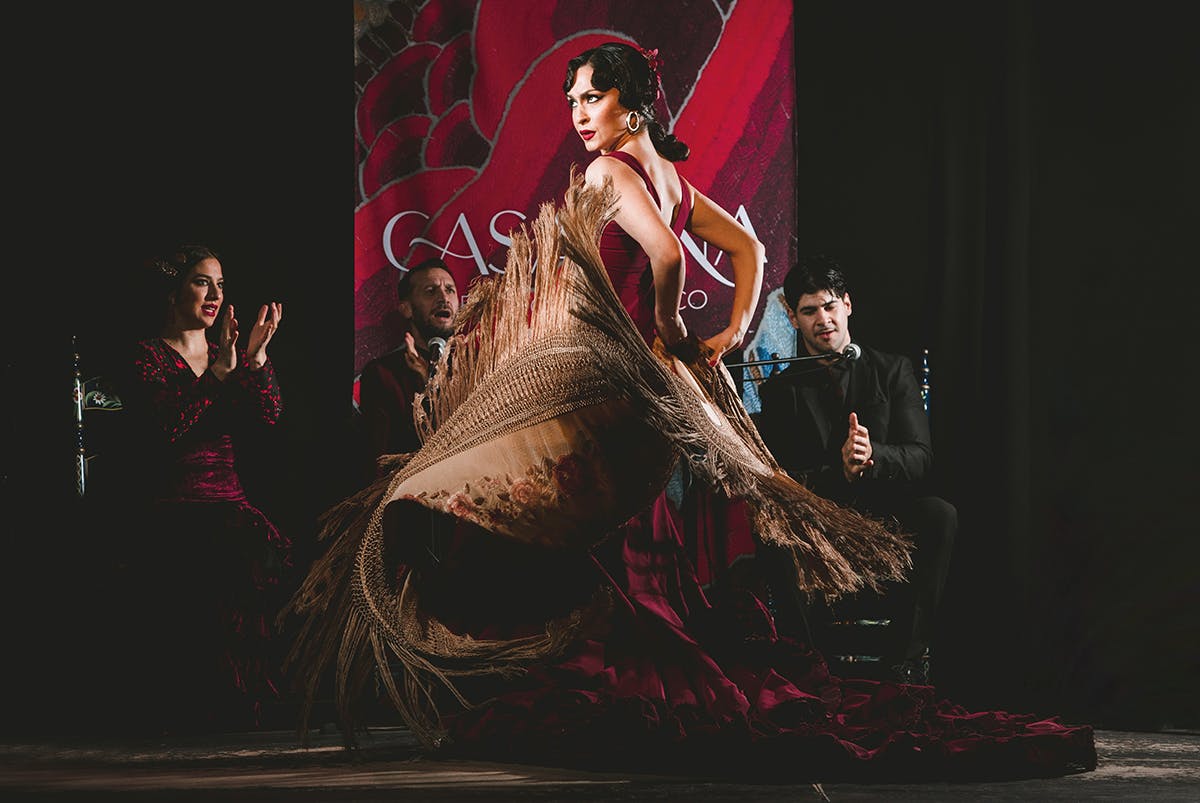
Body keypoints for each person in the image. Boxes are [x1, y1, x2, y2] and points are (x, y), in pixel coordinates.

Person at [281, 43, 1094, 781]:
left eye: (588, 100)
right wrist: (725, 332)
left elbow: (668, 258)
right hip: (647, 393)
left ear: (629, 105)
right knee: (625, 531)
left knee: (585, 527)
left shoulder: (609, 176)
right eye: (569, 103)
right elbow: (750, 252)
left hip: (623, 384)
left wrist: (672, 332)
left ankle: (581, 662)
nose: (576, 117)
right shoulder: (666, 177)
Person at [756, 255, 956, 684]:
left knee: (939, 513)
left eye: (829, 306)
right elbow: (782, 482)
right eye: (809, 311)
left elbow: (921, 457)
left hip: (887, 521)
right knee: (768, 529)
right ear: (792, 317)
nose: (822, 320)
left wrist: (874, 457)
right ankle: (808, 671)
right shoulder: (779, 392)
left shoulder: (893, 370)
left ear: (847, 304)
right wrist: (839, 473)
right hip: (818, 531)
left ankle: (903, 665)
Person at [118, 244, 292, 734]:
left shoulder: (225, 352)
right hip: (176, 506)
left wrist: (255, 361)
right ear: (174, 291)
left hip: (228, 501)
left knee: (255, 550)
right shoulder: (147, 355)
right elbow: (169, 427)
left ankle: (246, 707)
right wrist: (219, 376)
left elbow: (269, 416)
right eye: (202, 282)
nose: (215, 294)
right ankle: (196, 712)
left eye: (221, 284)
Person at [357, 257, 460, 478]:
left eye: (450, 290)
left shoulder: (478, 366)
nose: (444, 298)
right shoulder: (383, 373)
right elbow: (379, 461)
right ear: (406, 309)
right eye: (431, 291)